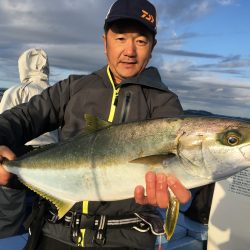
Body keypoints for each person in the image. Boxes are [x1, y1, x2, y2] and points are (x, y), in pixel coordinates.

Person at [0, 0, 191, 249]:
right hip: (54, 230)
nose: (130, 51)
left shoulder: (164, 105)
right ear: (105, 43)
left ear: (152, 47)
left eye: (141, 41)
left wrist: (175, 196)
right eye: (120, 38)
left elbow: (177, 170)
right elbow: (23, 117)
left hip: (124, 240)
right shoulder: (72, 88)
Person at [0, 48, 58, 239]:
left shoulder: (14, 92)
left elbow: (6, 125)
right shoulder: (54, 94)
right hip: (50, 160)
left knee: (11, 212)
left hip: (17, 158)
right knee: (46, 209)